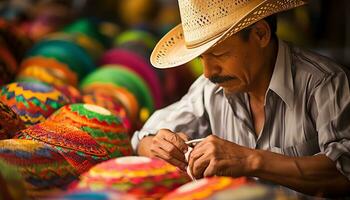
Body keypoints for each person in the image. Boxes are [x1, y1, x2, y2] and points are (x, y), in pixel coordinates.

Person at [131, 0, 350, 198]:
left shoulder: (326, 83)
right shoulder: (210, 89)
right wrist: (158, 146)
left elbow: (344, 174)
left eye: (218, 55)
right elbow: (142, 139)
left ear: (260, 34)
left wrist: (250, 160)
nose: (208, 72)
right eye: (201, 58)